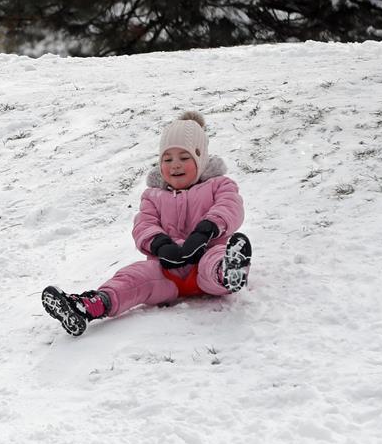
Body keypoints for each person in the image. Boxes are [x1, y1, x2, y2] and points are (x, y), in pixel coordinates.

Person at [42, 111, 251, 336]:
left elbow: (230, 206)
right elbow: (144, 223)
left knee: (214, 260)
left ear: (200, 159)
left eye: (184, 157)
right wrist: (160, 244)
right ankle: (89, 306)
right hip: (166, 270)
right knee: (132, 277)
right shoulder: (153, 195)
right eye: (167, 159)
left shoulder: (219, 185)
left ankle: (228, 272)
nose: (175, 166)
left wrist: (205, 231)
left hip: (206, 258)